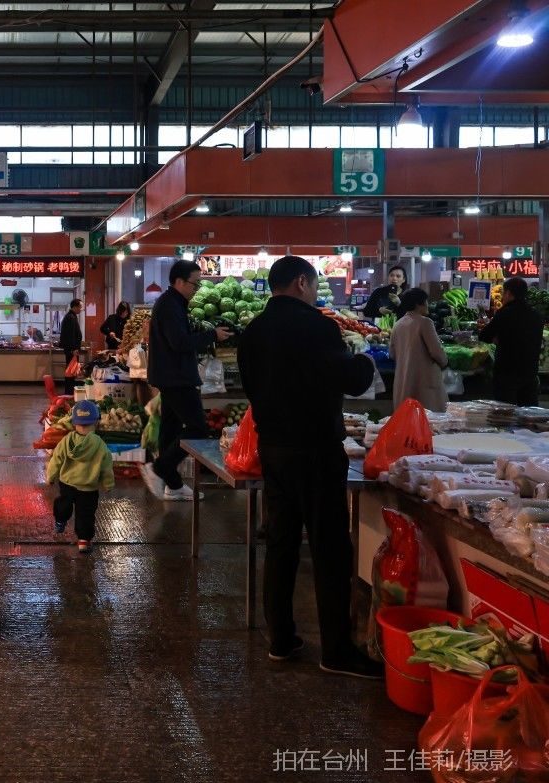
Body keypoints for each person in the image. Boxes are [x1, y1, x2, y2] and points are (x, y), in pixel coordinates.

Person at [237, 255, 380, 679]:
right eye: (314, 285)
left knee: (280, 543)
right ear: (301, 282)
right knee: (330, 548)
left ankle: (281, 639)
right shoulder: (318, 327)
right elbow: (350, 380)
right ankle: (336, 650)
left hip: (274, 449)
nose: (316, 292)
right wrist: (366, 359)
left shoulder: (253, 333)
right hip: (316, 449)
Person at [144, 260, 232, 501]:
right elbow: (180, 342)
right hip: (176, 377)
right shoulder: (170, 305)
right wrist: (212, 335)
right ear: (180, 281)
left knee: (170, 430)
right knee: (197, 428)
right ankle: (160, 468)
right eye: (195, 283)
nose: (197, 288)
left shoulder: (173, 303)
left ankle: (173, 485)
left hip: (171, 375)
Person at [47, 399, 114, 554]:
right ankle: (83, 540)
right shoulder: (100, 445)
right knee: (86, 513)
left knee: (63, 503)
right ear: (96, 423)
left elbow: (56, 459)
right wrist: (108, 483)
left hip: (67, 483)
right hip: (88, 487)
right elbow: (106, 466)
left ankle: (60, 520)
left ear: (74, 423)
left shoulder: (66, 441)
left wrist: (51, 476)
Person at [480, 277, 544, 406]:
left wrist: (496, 339)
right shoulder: (536, 314)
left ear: (508, 293)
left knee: (505, 414)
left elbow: (484, 336)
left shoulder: (504, 313)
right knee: (528, 414)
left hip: (507, 372)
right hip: (530, 372)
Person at [390, 288, 449, 412]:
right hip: (425, 384)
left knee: (407, 421)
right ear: (418, 304)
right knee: (428, 422)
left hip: (404, 383)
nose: (427, 305)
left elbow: (392, 354)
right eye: (426, 301)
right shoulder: (425, 323)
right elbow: (437, 353)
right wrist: (444, 362)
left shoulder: (398, 325)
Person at [60, 298, 83, 394]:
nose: (81, 309)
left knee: (72, 372)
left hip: (72, 349)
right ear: (75, 307)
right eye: (80, 307)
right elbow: (70, 335)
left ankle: (70, 392)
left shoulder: (72, 316)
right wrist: (73, 349)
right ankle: (69, 393)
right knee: (70, 372)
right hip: (71, 350)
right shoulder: (70, 317)